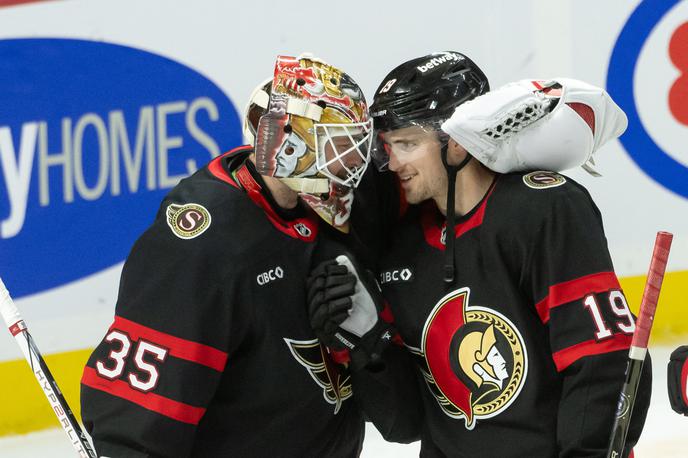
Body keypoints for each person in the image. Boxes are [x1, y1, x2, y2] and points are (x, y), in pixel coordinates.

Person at [307, 51, 652, 457]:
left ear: (457, 143)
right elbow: (406, 424)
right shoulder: (401, 247)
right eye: (387, 146)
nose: (392, 162)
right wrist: (370, 343)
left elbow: (602, 361)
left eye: (407, 143)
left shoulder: (544, 211)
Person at [79, 53, 409, 457]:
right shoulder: (203, 247)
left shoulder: (328, 205)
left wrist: (368, 340)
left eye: (356, 146)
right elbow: (136, 420)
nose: (353, 165)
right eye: (339, 146)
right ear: (289, 145)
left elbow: (401, 419)